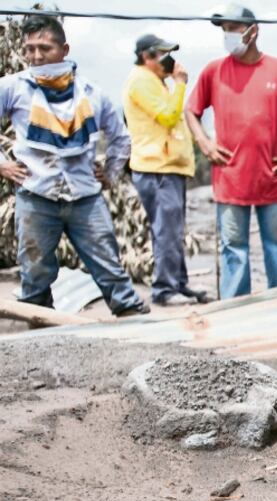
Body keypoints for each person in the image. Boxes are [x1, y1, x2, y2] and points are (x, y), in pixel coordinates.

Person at [0, 16, 148, 316]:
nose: (36, 56)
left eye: (45, 48)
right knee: (35, 269)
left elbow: (121, 137)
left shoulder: (91, 93)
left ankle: (131, 315)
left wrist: (110, 172)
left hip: (84, 196)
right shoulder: (13, 87)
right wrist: (2, 165)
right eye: (29, 49)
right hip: (36, 194)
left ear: (64, 49)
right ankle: (39, 324)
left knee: (107, 262)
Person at [185, 4, 277, 299]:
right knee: (234, 248)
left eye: (233, 29)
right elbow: (190, 111)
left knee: (275, 244)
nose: (228, 35)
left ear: (253, 31)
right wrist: (205, 144)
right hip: (230, 179)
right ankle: (235, 307)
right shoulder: (213, 71)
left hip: (273, 177)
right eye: (224, 30)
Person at [123, 33, 207, 307]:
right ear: (148, 57)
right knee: (167, 232)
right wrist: (180, 84)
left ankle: (178, 284)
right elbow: (169, 116)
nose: (169, 60)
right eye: (163, 54)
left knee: (174, 230)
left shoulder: (155, 82)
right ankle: (165, 290)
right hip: (156, 169)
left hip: (168, 168)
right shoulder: (141, 82)